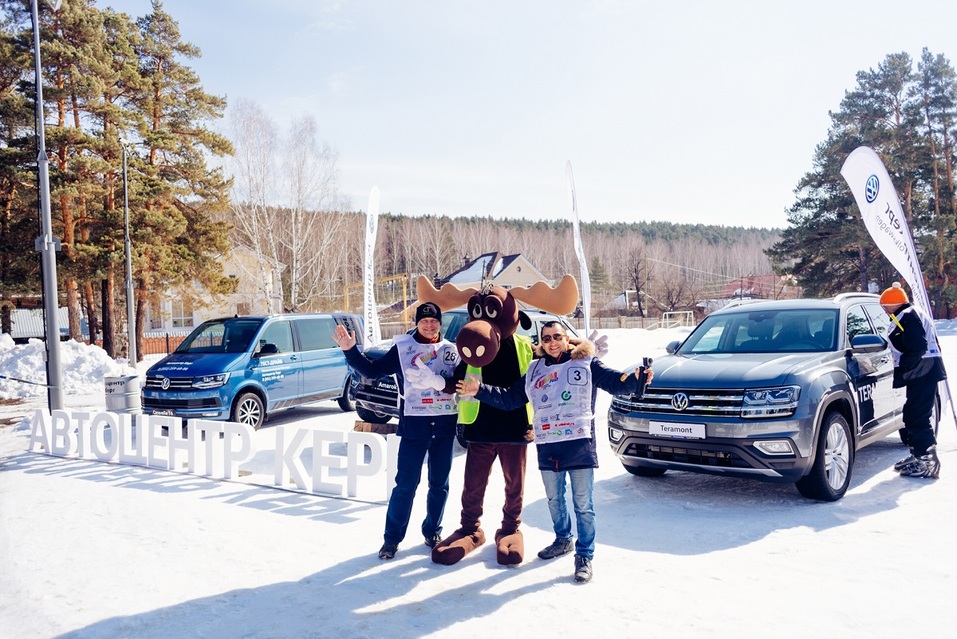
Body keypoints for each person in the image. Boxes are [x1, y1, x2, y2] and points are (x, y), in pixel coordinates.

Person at [457, 322, 653, 583]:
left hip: (579, 443)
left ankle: (584, 554)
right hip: (549, 444)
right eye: (546, 338)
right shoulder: (534, 369)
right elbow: (511, 398)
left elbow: (616, 382)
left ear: (566, 339)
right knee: (554, 500)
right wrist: (479, 390)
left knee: (583, 505)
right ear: (541, 342)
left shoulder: (586, 362)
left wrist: (637, 379)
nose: (552, 342)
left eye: (557, 337)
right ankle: (563, 539)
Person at [333, 302, 459, 559]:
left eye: (434, 321)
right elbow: (372, 370)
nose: (429, 324)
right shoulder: (404, 349)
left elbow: (460, 383)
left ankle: (432, 531)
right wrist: (350, 351)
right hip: (415, 425)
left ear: (440, 323)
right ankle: (391, 539)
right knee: (405, 485)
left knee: (440, 484)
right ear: (416, 323)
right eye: (424, 321)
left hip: (444, 425)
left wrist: (441, 382)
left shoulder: (451, 351)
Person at [879, 282, 946, 479]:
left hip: (922, 370)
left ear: (893, 304)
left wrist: (906, 366)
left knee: (917, 415)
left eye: (885, 306)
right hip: (925, 369)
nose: (883, 310)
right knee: (913, 413)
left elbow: (918, 346)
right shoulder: (911, 313)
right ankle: (919, 455)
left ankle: (927, 462)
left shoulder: (906, 316)